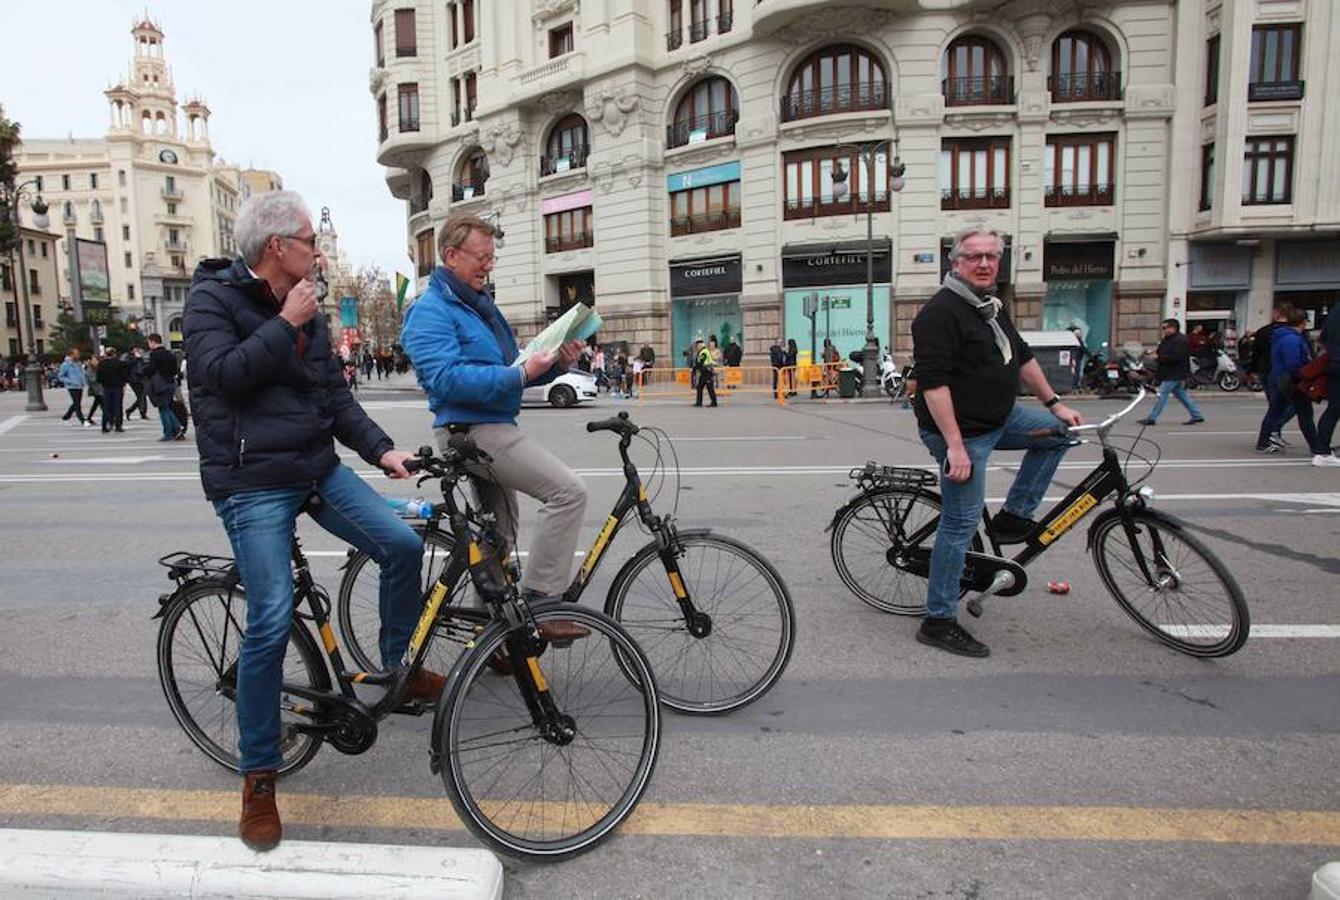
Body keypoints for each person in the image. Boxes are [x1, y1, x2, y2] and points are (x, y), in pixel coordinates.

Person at [182, 190, 430, 853]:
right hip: (250, 480)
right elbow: (220, 376)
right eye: (305, 241)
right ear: (275, 250)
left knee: (403, 546)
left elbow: (333, 399)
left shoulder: (308, 312)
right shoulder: (212, 299)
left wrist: (382, 450)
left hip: (315, 468)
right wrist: (285, 324)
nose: (315, 251)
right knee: (269, 617)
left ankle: (393, 668)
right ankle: (258, 776)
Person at [399, 212, 590, 637]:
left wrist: (552, 363)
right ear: (450, 255)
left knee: (498, 533)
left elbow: (511, 370)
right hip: (469, 431)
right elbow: (446, 380)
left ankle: (492, 635)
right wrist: (521, 375)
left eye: (492, 257)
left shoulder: (479, 307)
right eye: (481, 256)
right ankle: (543, 600)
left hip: (490, 424)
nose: (488, 265)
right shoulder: (430, 310)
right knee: (568, 491)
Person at [911, 228, 1082, 658]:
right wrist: (955, 446)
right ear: (955, 263)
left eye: (991, 256)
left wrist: (1055, 403)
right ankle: (939, 620)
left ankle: (1014, 517)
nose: (984, 264)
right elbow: (934, 385)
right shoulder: (940, 313)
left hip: (1000, 418)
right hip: (961, 432)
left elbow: (1022, 357)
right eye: (974, 257)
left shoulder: (990, 307)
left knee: (1058, 434)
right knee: (960, 523)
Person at [1255, 307, 1319, 454]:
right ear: (1303, 323)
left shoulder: (1281, 336)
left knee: (1274, 411)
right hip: (1291, 380)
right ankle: (1317, 447)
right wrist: (1304, 374)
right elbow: (1293, 363)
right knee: (1305, 415)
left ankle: (1263, 442)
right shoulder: (1292, 339)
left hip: (1279, 377)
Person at [1137, 319, 1205, 427]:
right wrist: (1152, 353)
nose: (1163, 330)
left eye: (1165, 328)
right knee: (1181, 394)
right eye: (1163, 328)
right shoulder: (1168, 339)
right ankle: (1197, 415)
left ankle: (1152, 418)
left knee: (1162, 394)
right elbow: (1161, 350)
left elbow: (1176, 358)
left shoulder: (1180, 340)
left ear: (1173, 328)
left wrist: (1159, 357)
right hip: (1169, 371)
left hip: (1175, 372)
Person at [1251, 304, 1295, 447]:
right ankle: (1274, 431)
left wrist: (1251, 370)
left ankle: (1272, 433)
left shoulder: (1264, 331)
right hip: (1284, 372)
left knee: (1275, 406)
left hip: (1266, 371)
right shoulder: (1293, 332)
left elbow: (1255, 354)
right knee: (1291, 405)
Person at [1312, 302, 1340, 466]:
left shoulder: (1335, 311)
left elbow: (1323, 339)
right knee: (1334, 410)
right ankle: (1322, 452)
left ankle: (1321, 450)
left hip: (1335, 364)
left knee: (1333, 410)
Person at [146, 334, 184, 441]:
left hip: (160, 384)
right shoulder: (169, 354)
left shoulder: (155, 354)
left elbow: (151, 369)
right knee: (167, 407)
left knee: (163, 409)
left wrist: (145, 371)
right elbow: (174, 370)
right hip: (170, 383)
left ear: (153, 342)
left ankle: (170, 431)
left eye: (149, 342)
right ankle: (177, 428)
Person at [96, 345, 130, 433]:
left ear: (107, 354)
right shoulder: (119, 363)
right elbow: (125, 374)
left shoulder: (102, 363)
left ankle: (104, 426)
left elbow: (99, 378)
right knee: (118, 406)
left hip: (106, 387)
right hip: (118, 387)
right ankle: (118, 425)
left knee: (106, 407)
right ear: (114, 354)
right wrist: (123, 383)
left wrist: (104, 383)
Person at [58, 348, 91, 427]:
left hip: (79, 386)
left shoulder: (78, 363)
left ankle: (65, 417)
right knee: (77, 404)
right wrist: (70, 381)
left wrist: (83, 381)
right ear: (71, 355)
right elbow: (61, 376)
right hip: (72, 386)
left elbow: (81, 373)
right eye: (76, 354)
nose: (78, 355)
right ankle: (82, 420)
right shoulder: (66, 364)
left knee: (76, 403)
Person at [125, 346, 150, 420]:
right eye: (135, 349)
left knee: (142, 396)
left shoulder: (140, 357)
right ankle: (137, 411)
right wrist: (136, 358)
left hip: (141, 378)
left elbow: (143, 366)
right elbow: (128, 365)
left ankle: (141, 412)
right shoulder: (129, 357)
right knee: (141, 396)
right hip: (133, 379)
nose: (137, 351)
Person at [694, 337, 718, 407]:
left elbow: (700, 362)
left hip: (707, 372)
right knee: (700, 387)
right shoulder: (704, 351)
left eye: (697, 345)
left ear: (700, 345)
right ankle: (699, 402)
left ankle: (714, 402)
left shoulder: (704, 352)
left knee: (709, 388)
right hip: (705, 372)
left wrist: (696, 367)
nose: (696, 347)